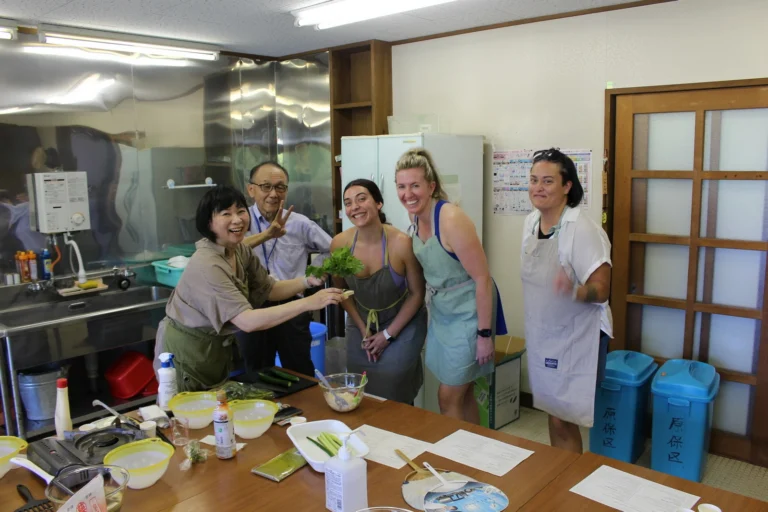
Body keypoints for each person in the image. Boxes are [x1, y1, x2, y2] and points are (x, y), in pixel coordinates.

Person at [154, 185, 343, 392]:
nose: (237, 219)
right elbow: (247, 321)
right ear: (208, 223)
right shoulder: (208, 264)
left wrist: (306, 282)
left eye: (241, 211)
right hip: (187, 353)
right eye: (226, 213)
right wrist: (309, 302)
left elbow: (269, 289)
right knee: (188, 414)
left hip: (214, 349)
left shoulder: (239, 250)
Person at [395, 148, 505, 422]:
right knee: (463, 393)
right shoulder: (414, 217)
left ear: (431, 187)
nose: (408, 194)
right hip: (443, 312)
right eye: (401, 186)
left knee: (448, 396)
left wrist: (483, 335)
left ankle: (455, 457)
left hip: (470, 312)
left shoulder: (451, 219)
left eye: (415, 186)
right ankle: (473, 452)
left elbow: (482, 278)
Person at [521, 148, 613, 453]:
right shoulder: (531, 223)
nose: (538, 188)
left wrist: (575, 291)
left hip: (579, 334)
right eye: (534, 180)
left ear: (567, 186)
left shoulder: (581, 228)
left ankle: (569, 482)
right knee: (553, 407)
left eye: (548, 181)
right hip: (546, 331)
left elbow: (602, 289)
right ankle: (560, 474)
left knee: (564, 416)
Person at [331, 179, 427, 404]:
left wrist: (386, 335)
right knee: (359, 383)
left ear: (379, 203)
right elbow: (341, 290)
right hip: (360, 320)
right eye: (348, 203)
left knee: (393, 378)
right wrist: (364, 329)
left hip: (402, 321)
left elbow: (417, 294)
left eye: (362, 199)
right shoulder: (339, 244)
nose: (355, 206)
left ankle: (403, 432)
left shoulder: (401, 243)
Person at [235, 161, 332, 376]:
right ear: (251, 189)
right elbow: (226, 251)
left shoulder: (299, 223)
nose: (273, 194)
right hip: (252, 309)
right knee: (256, 374)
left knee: (300, 372)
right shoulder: (240, 223)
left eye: (280, 187)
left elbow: (332, 248)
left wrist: (313, 274)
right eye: (266, 186)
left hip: (292, 308)